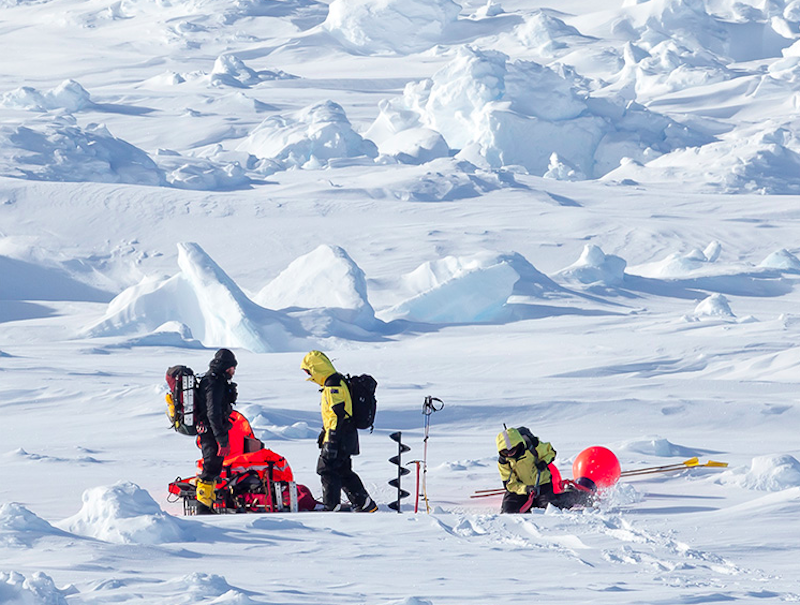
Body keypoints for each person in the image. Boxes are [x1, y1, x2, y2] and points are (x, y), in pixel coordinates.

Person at [301, 350, 378, 512]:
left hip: (340, 434)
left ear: (316, 368)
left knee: (326, 469)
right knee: (342, 470)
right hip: (346, 433)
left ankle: (332, 505)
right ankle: (363, 502)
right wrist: (325, 432)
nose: (308, 375)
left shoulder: (332, 384)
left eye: (308, 371)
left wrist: (332, 439)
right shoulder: (337, 381)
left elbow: (338, 412)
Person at [496, 426, 592, 513]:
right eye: (505, 452)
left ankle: (575, 494)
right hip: (520, 490)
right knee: (508, 512)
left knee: (551, 509)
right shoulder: (504, 462)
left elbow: (550, 452)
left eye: (512, 450)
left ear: (519, 444)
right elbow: (510, 484)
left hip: (542, 484)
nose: (509, 454)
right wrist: (526, 489)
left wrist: (544, 462)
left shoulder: (533, 445)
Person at [194, 348, 239, 514]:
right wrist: (222, 440)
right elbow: (213, 412)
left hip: (210, 429)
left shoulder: (213, 380)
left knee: (214, 466)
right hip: (210, 431)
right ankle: (202, 508)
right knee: (211, 466)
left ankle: (207, 505)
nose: (233, 372)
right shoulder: (214, 383)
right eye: (233, 368)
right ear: (227, 367)